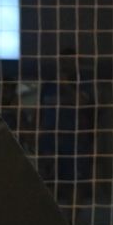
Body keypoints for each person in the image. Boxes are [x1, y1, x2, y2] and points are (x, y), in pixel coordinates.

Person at [34, 46, 96, 206]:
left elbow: (81, 103)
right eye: (62, 61)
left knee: (74, 182)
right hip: (50, 139)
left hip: (74, 140)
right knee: (47, 179)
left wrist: (66, 84)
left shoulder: (84, 84)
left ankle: (72, 222)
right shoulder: (48, 85)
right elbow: (41, 111)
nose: (65, 65)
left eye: (69, 62)